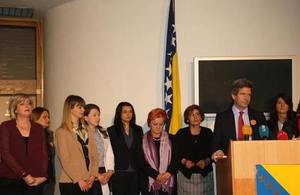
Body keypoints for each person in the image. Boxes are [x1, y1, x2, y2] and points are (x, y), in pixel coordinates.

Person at [0, 94, 48, 195]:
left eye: (29, 104)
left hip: (36, 180)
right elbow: (5, 154)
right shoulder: (6, 126)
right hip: (11, 179)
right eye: (22, 104)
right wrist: (24, 175)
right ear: (15, 109)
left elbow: (44, 154)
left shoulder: (38, 128)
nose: (27, 106)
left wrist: (44, 176)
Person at [211, 78, 267, 160]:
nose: (246, 98)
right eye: (243, 94)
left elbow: (265, 139)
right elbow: (216, 143)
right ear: (234, 96)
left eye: (249, 95)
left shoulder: (258, 116)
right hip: (232, 161)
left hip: (255, 160)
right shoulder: (222, 118)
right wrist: (218, 151)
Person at [55, 95, 99, 195]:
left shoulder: (87, 130)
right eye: (79, 107)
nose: (83, 110)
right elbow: (65, 159)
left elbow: (95, 156)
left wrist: (93, 175)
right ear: (70, 109)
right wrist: (78, 179)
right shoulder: (61, 132)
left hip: (89, 181)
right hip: (70, 182)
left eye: (83, 107)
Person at [175, 105, 214, 195]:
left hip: (205, 176)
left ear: (201, 117)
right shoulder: (181, 133)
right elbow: (175, 153)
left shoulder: (208, 133)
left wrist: (206, 161)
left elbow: (213, 152)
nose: (195, 117)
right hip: (186, 177)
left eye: (198, 114)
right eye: (192, 115)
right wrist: (184, 161)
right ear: (187, 119)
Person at [138, 108, 177, 195]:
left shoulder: (172, 138)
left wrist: (168, 173)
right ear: (149, 124)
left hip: (168, 182)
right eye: (155, 124)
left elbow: (176, 159)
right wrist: (156, 175)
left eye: (161, 124)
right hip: (149, 184)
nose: (158, 127)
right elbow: (141, 162)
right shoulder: (141, 140)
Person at [107, 102, 143, 195]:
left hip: (135, 172)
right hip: (119, 173)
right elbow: (109, 153)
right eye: (125, 112)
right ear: (119, 113)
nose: (128, 114)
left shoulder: (138, 129)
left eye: (130, 111)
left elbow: (140, 151)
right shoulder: (111, 130)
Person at [84, 104, 114, 195]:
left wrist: (109, 172)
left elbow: (109, 152)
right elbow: (83, 157)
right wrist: (96, 175)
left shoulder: (102, 131)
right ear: (85, 118)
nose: (98, 118)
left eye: (98, 115)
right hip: (88, 172)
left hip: (103, 170)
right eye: (94, 115)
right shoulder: (82, 133)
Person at [31, 107, 55, 195]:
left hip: (49, 177)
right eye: (45, 117)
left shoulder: (49, 135)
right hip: (35, 178)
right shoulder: (30, 135)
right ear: (35, 119)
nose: (48, 119)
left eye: (48, 117)